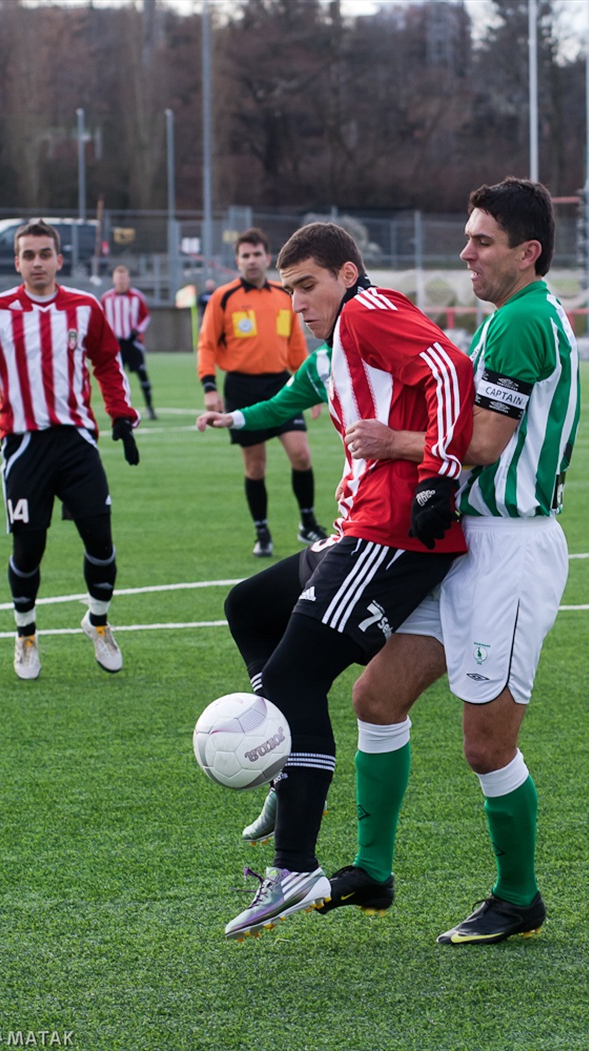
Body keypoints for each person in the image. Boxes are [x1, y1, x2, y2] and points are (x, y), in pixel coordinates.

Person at [317, 177, 581, 946]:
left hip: (512, 550)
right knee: (377, 696)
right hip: (464, 543)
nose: (464, 251)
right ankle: (372, 869)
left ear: (527, 252)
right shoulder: (508, 316)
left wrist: (392, 442)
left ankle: (518, 896)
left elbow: (488, 443)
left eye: (482, 240)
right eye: (466, 236)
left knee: (486, 743)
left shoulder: (523, 320)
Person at [219, 221, 475, 941]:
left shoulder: (366, 310)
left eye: (308, 285)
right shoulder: (337, 338)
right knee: (251, 608)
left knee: (297, 678)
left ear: (347, 273)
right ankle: (284, 768)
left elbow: (450, 371)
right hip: (357, 527)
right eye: (288, 288)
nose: (297, 301)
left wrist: (439, 478)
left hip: (392, 532)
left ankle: (294, 863)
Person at [0, 219, 141, 681]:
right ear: (16, 262)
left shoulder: (85, 308)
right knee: (29, 547)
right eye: (28, 255)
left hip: (76, 442)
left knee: (100, 539)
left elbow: (108, 361)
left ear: (58, 259)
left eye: (44, 254)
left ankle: (99, 621)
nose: (37, 263)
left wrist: (122, 415)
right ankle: (25, 633)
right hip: (24, 445)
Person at [196, 226, 327, 557]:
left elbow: (295, 342)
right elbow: (206, 345)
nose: (252, 261)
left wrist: (307, 385)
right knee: (255, 466)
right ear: (237, 260)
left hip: (280, 385)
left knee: (301, 454)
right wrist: (209, 387)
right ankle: (262, 531)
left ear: (267, 258)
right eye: (245, 255)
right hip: (241, 387)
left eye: (257, 254)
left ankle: (307, 523)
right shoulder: (223, 298)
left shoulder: (284, 295)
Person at [101, 264, 157, 420]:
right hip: (115, 345)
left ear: (128, 280)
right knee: (117, 378)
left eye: (124, 279)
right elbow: (102, 320)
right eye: (119, 279)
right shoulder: (106, 298)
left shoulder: (136, 297)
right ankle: (120, 410)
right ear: (113, 279)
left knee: (142, 375)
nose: (121, 282)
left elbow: (145, 316)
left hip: (132, 343)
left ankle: (150, 407)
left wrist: (136, 331)